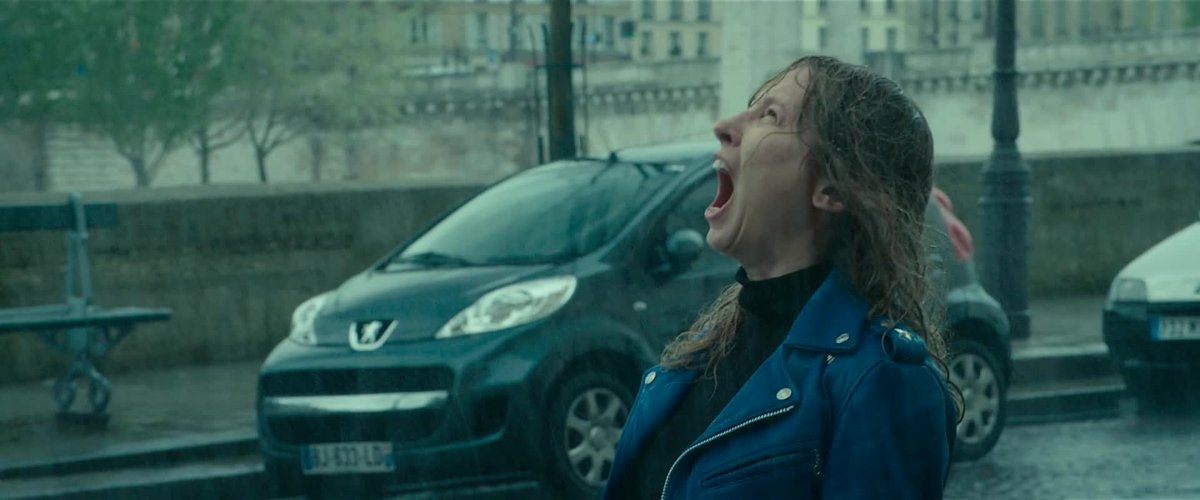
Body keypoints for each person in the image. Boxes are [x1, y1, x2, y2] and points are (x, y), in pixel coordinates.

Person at [602, 56, 960, 500]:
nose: (723, 127)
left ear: (832, 188)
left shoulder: (882, 381)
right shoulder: (698, 358)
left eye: (770, 116)